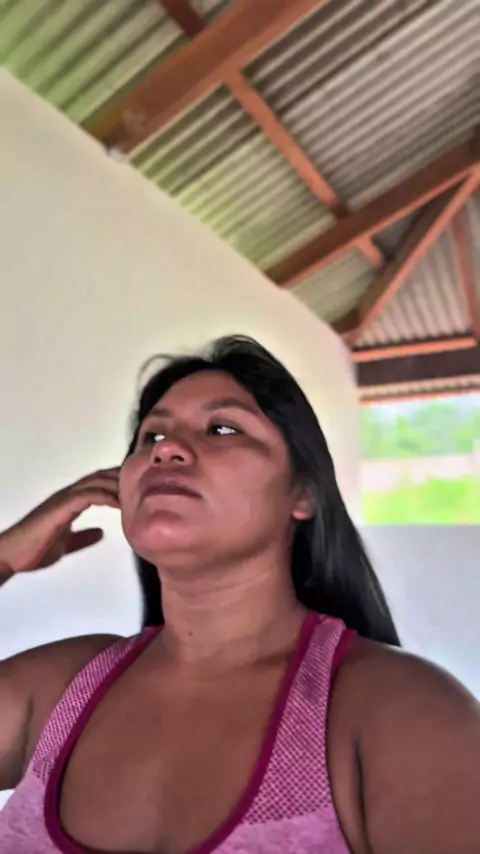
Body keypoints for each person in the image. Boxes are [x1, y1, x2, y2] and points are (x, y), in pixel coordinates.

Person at [0, 336, 478, 854]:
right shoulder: (61, 690)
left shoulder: (402, 712)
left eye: (222, 428)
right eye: (151, 435)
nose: (165, 449)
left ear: (303, 493)